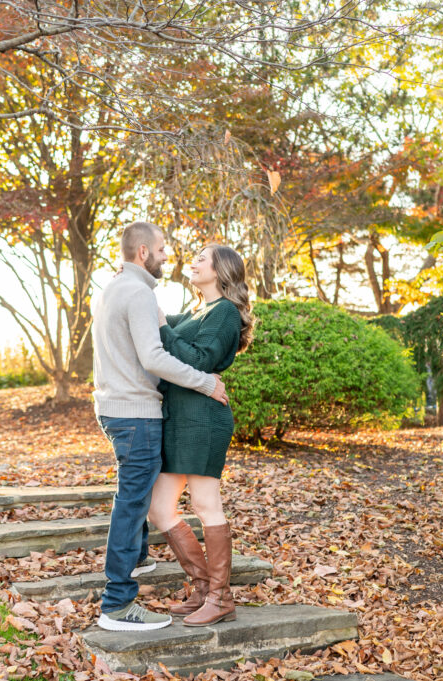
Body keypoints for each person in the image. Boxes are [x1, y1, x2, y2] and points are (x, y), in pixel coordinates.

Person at [92, 222, 229, 632]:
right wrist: (206, 382)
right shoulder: (135, 291)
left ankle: (205, 589)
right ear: (143, 254)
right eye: (164, 249)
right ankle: (117, 603)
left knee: (145, 500)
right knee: (136, 502)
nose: (171, 256)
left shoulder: (119, 289)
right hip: (135, 411)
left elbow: (173, 339)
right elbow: (155, 355)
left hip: (133, 410)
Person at [148, 244, 253, 627]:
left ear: (221, 270)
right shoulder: (197, 311)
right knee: (160, 508)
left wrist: (161, 324)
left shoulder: (224, 312)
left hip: (204, 420)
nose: (192, 262)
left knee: (206, 503)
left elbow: (198, 360)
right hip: (177, 420)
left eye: (201, 258)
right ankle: (204, 588)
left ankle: (221, 598)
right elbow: (157, 328)